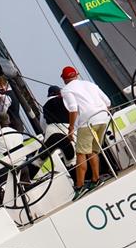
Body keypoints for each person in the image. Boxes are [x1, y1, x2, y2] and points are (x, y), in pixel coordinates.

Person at [60, 66, 112, 199]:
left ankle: (80, 186)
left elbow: (73, 109)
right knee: (93, 151)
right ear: (76, 75)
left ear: (64, 79)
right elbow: (108, 102)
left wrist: (71, 129)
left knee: (81, 154)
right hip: (103, 118)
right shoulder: (89, 84)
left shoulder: (66, 90)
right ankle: (95, 179)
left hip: (87, 122)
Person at [40, 85, 75, 163]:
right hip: (67, 128)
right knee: (72, 156)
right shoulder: (65, 100)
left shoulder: (44, 106)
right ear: (59, 92)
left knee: (46, 156)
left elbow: (42, 124)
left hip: (51, 132)